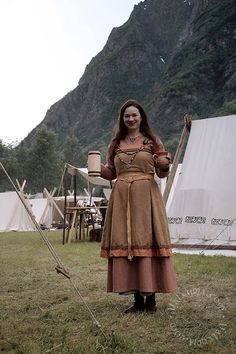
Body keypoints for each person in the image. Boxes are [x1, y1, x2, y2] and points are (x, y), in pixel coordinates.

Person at [100, 99, 177, 313]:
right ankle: (137, 300)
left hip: (147, 199)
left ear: (141, 117)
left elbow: (162, 172)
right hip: (122, 198)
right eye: (127, 116)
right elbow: (112, 173)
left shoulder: (153, 141)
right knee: (128, 241)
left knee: (146, 240)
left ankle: (150, 300)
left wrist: (164, 165)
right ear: (122, 119)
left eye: (134, 115)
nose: (131, 119)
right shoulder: (115, 145)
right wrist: (98, 169)